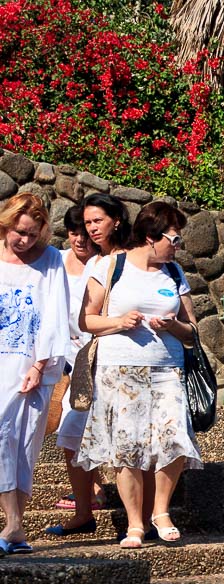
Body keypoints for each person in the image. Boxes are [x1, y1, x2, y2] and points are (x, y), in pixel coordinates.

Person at [76, 202, 200, 549]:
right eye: (173, 239)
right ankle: (134, 525)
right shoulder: (111, 266)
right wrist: (118, 321)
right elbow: (86, 320)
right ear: (151, 236)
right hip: (119, 370)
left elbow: (191, 332)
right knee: (127, 448)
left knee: (175, 440)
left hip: (167, 369)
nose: (177, 246)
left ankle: (160, 511)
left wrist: (173, 325)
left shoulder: (174, 273)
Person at [0, 193, 69, 554]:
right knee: (0, 437)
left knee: (24, 443)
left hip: (32, 365)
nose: (23, 240)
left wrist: (40, 365)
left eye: (31, 234)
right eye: (18, 231)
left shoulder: (51, 260)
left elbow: (56, 314)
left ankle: (16, 528)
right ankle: (13, 524)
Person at [46, 203, 106, 536]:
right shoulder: (57, 259)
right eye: (73, 233)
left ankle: (91, 494)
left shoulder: (102, 262)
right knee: (70, 424)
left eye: (84, 233)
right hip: (65, 350)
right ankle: (90, 490)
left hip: (93, 351)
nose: (79, 240)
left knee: (77, 421)